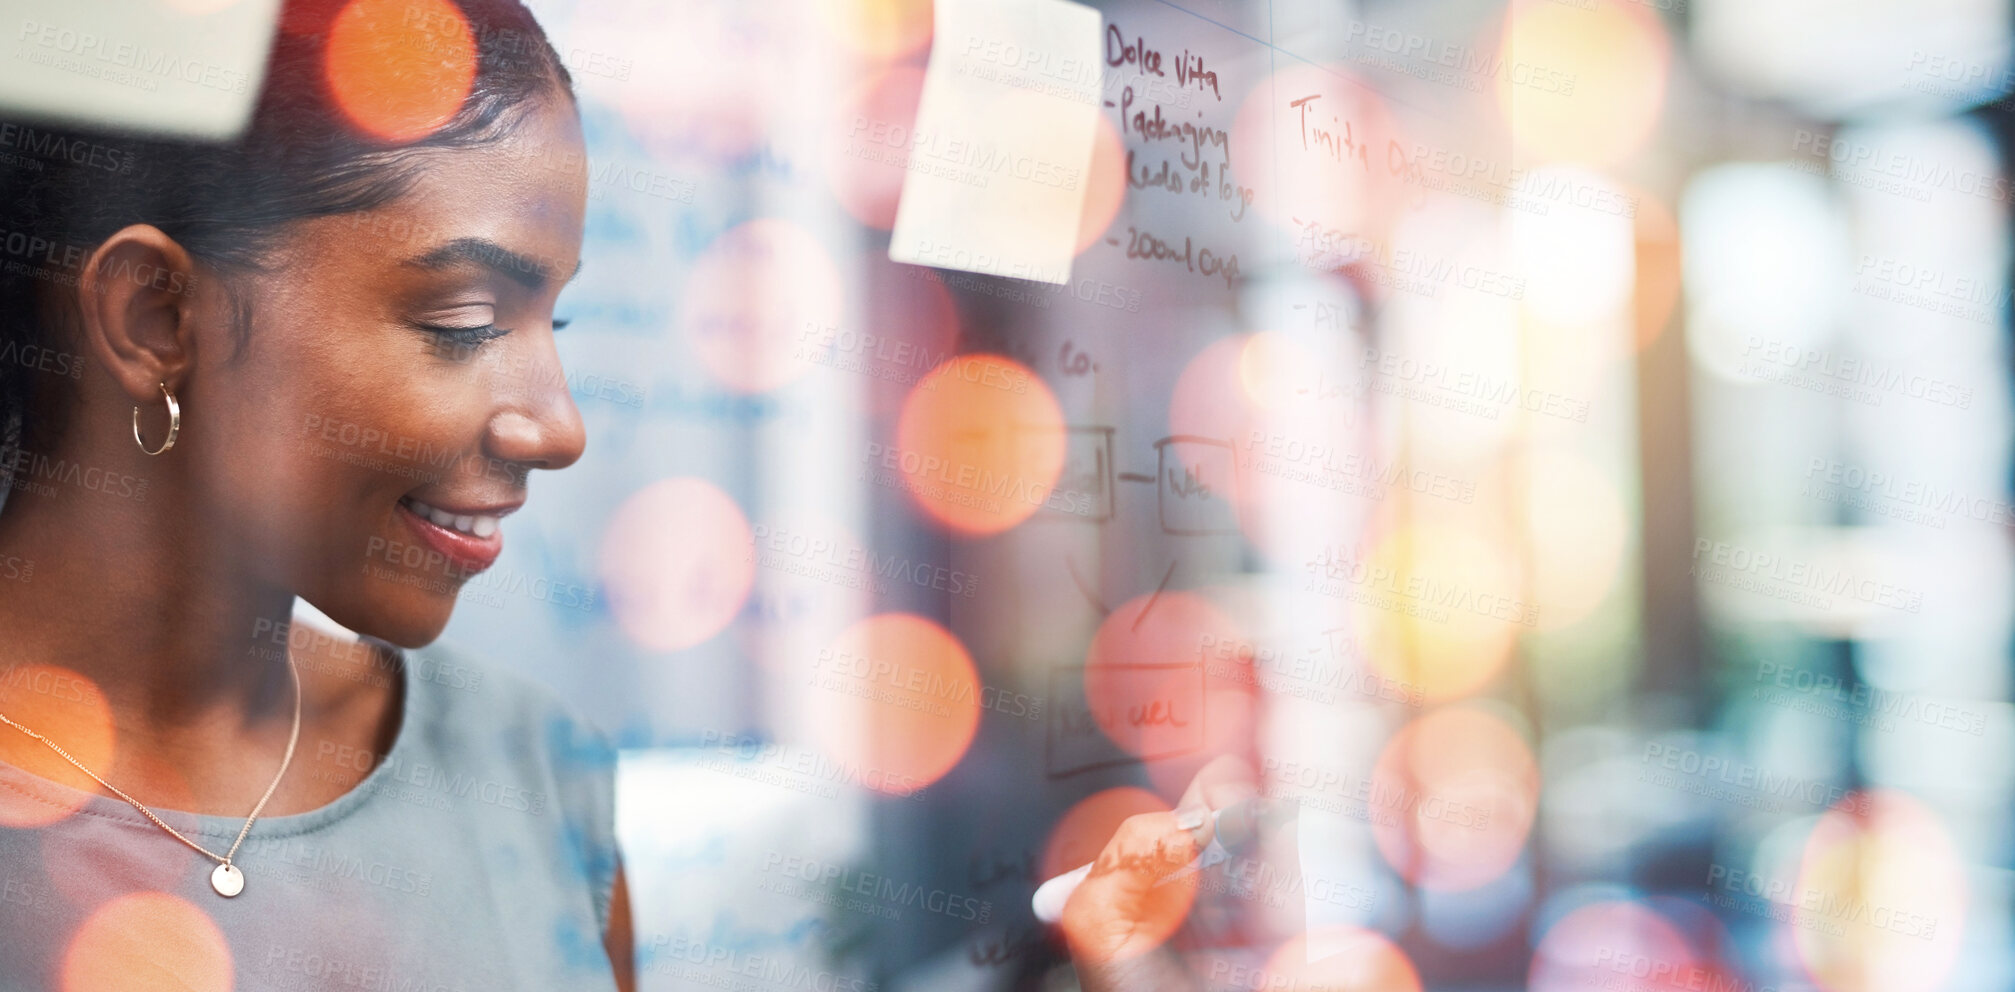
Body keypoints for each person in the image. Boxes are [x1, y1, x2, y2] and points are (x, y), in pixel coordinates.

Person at [0, 1, 633, 988]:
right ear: (156, 316)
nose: (558, 428)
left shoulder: (533, 777)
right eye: (466, 320)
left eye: (555, 316)